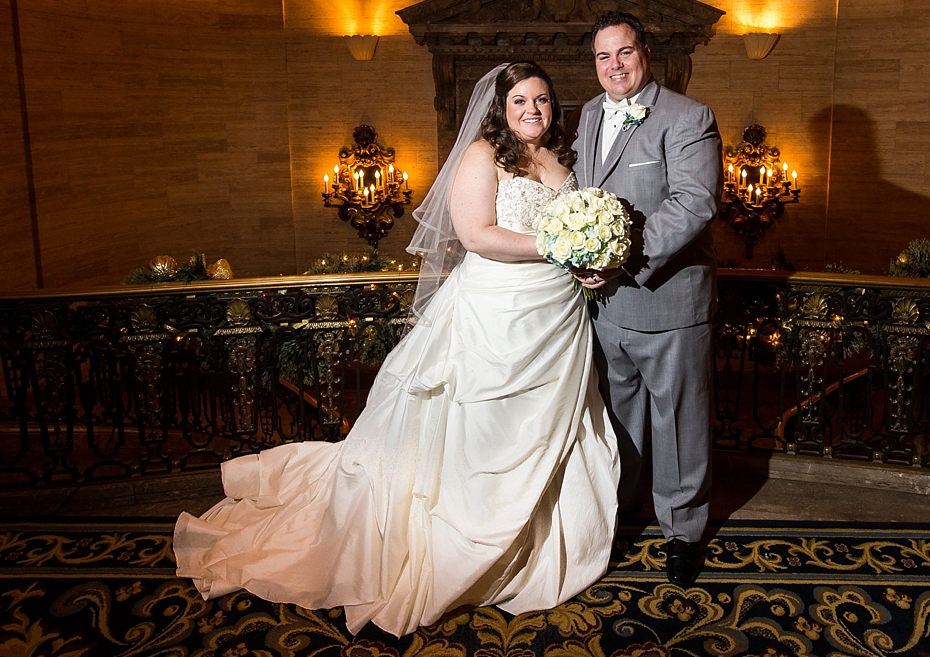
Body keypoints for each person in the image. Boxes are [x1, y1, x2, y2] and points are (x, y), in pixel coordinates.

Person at [174, 62, 619, 637]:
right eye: (520, 101)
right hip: (495, 315)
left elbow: (576, 226)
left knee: (552, 427)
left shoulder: (565, 161)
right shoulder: (483, 156)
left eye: (542, 100)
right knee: (478, 428)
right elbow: (476, 233)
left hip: (556, 317)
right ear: (500, 109)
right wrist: (562, 243)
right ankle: (466, 534)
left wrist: (586, 257)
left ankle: (539, 541)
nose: (533, 110)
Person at [572, 11, 722, 588]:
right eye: (603, 56)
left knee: (680, 422)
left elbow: (692, 204)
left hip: (667, 301)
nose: (614, 65)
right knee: (619, 417)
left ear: (645, 55)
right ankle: (626, 513)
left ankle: (683, 533)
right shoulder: (588, 113)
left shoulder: (688, 117)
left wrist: (618, 257)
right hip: (605, 306)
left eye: (624, 53)